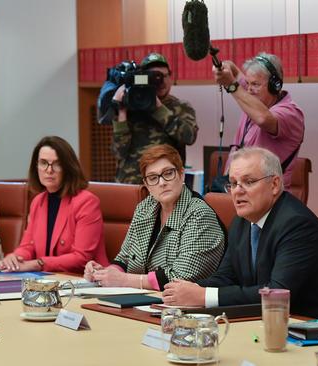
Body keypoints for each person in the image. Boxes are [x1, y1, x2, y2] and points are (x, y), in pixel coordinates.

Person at [162, 147, 318, 319]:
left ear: (275, 184)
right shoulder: (241, 222)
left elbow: (277, 294)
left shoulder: (297, 225)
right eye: (233, 183)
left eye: (248, 182)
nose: (237, 191)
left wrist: (204, 296)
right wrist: (183, 291)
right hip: (283, 326)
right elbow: (225, 278)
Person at [83, 144, 225, 290]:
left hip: (186, 306)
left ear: (182, 174)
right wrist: (106, 273)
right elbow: (124, 258)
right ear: (147, 184)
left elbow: (181, 276)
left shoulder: (200, 216)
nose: (162, 183)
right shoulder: (145, 208)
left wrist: (125, 280)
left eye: (168, 173)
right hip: (144, 300)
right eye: (153, 178)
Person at [0, 136, 109, 273]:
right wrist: (15, 258)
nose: (49, 170)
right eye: (43, 163)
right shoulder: (38, 202)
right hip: (49, 280)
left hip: (83, 280)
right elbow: (28, 246)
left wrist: (38, 264)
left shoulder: (86, 202)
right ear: (36, 166)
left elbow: (81, 258)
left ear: (68, 167)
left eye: (57, 164)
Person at [213, 52, 304, 189]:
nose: (249, 90)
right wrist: (226, 67)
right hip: (238, 192)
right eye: (248, 84)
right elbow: (235, 72)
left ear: (275, 86)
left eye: (255, 84)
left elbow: (263, 118)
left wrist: (231, 85)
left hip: (269, 201)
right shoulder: (254, 95)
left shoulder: (291, 114)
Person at [112, 52, 198, 184]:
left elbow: (189, 136)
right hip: (131, 185)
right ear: (143, 79)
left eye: (164, 76)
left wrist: (158, 107)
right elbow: (119, 152)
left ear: (170, 77)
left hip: (165, 186)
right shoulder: (131, 106)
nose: (161, 82)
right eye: (154, 77)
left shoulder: (181, 107)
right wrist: (121, 111)